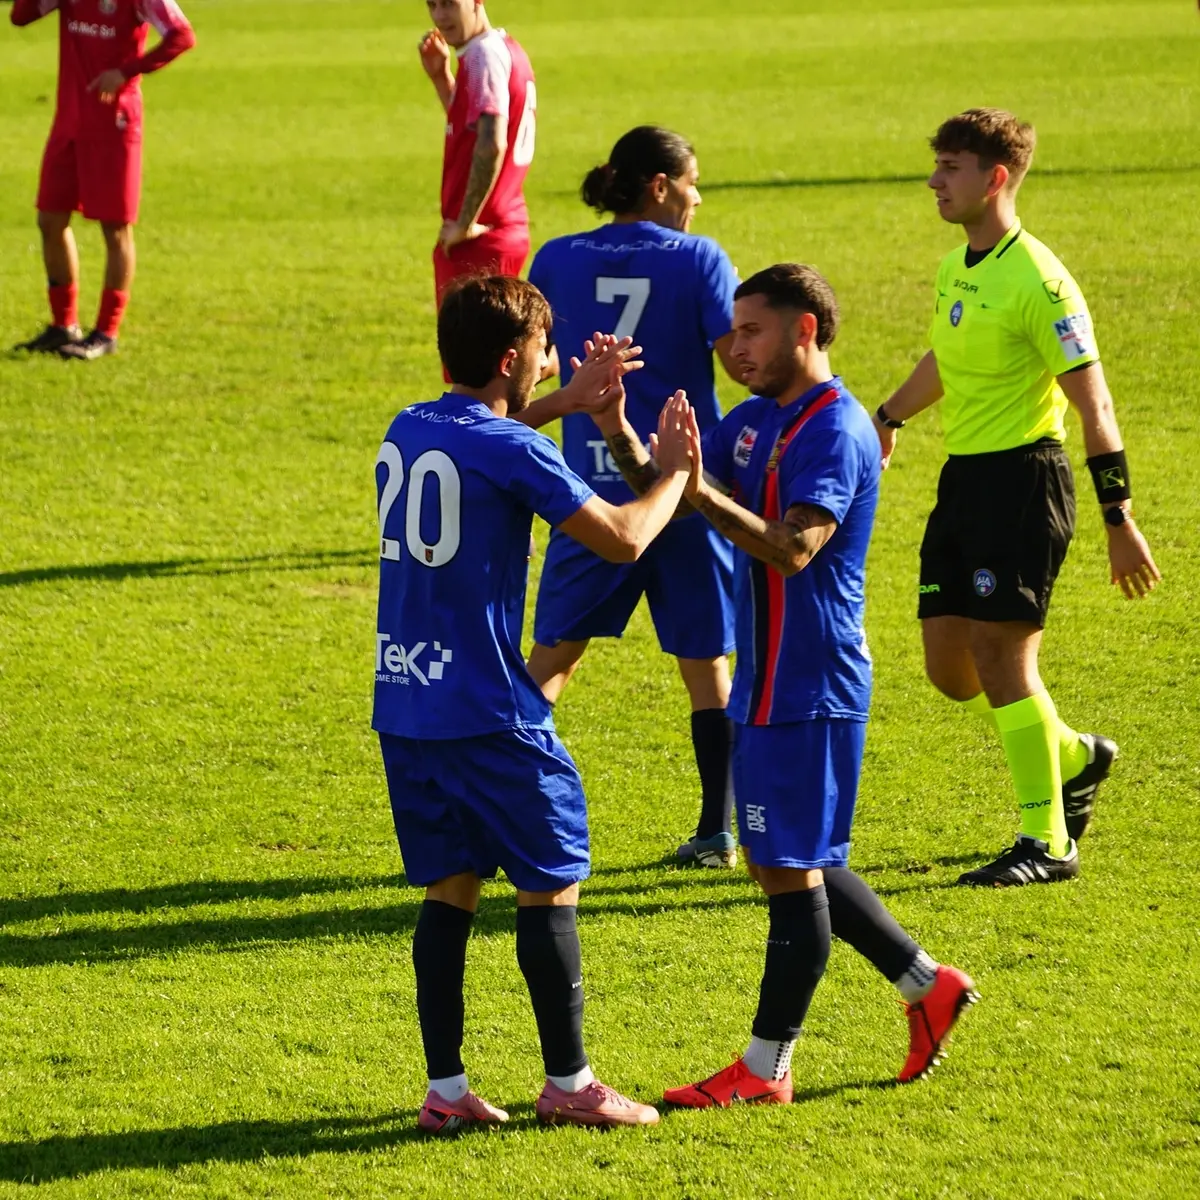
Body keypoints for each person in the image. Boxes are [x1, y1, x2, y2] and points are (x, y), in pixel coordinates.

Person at [591, 263, 977, 1107]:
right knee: (782, 861)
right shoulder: (756, 420)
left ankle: (766, 1070)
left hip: (812, 681)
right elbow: (672, 497)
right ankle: (925, 984)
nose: (735, 348)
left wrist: (695, 488)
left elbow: (794, 547)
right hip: (766, 679)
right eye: (732, 333)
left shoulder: (834, 430)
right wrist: (618, 428)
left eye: (753, 331)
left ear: (806, 329)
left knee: (788, 865)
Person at [373, 275, 698, 1132]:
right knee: (554, 884)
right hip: (491, 711)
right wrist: (671, 477)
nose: (553, 361)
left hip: (406, 704)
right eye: (546, 353)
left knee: (449, 890)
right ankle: (570, 1083)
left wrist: (565, 399)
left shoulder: (409, 424)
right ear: (513, 357)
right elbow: (624, 540)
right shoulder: (513, 449)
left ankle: (445, 1095)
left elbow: (492, 440)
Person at [875, 109, 1161, 887]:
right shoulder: (955, 267)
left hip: (1025, 483)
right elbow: (947, 352)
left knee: (1003, 657)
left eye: (952, 167)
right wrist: (890, 415)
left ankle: (1048, 842)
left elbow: (1096, 408)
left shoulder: (1042, 281)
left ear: (995, 177)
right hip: (962, 481)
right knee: (952, 669)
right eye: (936, 164)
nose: (935, 180)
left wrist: (1119, 518)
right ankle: (1073, 754)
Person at [524, 126, 742, 868]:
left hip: (586, 496)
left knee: (550, 662)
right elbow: (740, 358)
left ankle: (494, 817)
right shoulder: (701, 259)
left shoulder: (554, 257)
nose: (697, 198)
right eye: (692, 183)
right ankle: (717, 830)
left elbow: (532, 366)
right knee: (707, 668)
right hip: (685, 494)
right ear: (659, 186)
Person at [10, 0, 196, 360]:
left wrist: (126, 71)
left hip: (115, 122)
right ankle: (63, 325)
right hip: (70, 120)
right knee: (50, 219)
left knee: (115, 228)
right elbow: (20, 17)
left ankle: (106, 333)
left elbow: (182, 35)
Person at [417, 0, 535, 308]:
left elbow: (492, 142)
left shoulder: (483, 55)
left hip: (479, 241)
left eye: (449, 4)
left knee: (470, 355)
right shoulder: (505, 47)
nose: (440, 16)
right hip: (503, 227)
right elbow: (471, 128)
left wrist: (465, 223)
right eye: (432, 5)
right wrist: (441, 78)